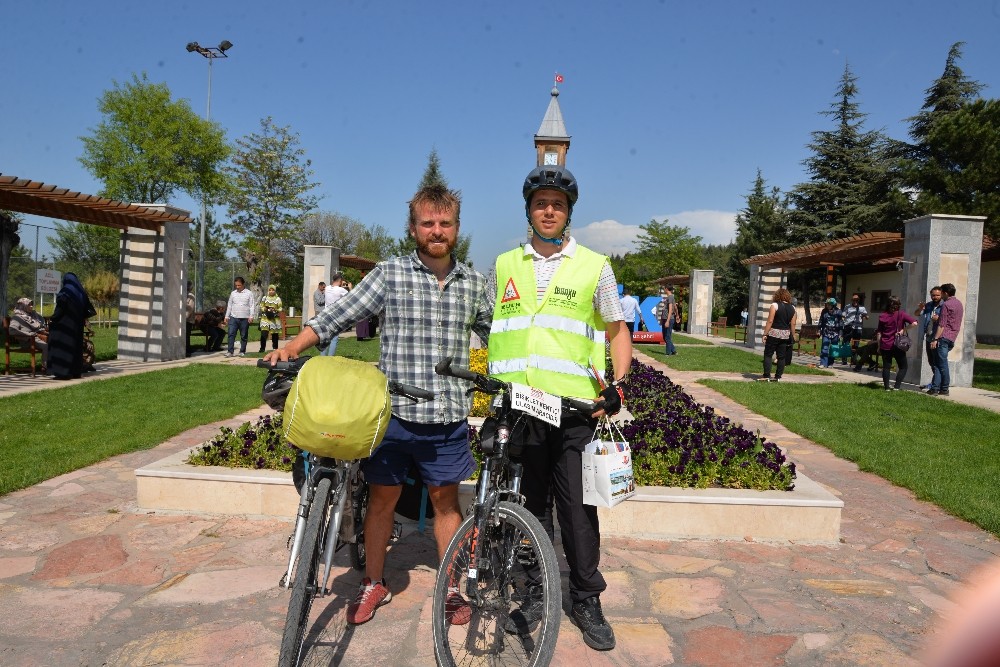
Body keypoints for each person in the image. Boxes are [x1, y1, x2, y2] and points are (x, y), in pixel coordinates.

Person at [265, 184, 492, 627]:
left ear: (457, 229)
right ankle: (374, 582)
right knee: (382, 501)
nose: (437, 230)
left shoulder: (475, 284)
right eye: (428, 223)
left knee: (446, 504)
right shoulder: (390, 274)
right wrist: (293, 346)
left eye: (445, 223)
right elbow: (339, 315)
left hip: (447, 415)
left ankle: (449, 589)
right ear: (413, 228)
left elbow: (499, 336)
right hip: (393, 414)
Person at [486, 165, 632, 652]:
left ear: (568, 213)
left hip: (573, 411)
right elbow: (491, 326)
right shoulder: (505, 264)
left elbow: (617, 330)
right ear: (528, 209)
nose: (549, 211)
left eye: (558, 204)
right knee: (528, 504)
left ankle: (586, 597)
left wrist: (618, 384)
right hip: (522, 409)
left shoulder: (595, 265)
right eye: (540, 203)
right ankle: (535, 590)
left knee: (576, 508)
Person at [47, 272, 96, 380]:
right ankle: (76, 372)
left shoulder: (65, 292)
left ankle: (63, 372)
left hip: (63, 326)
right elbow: (86, 310)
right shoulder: (81, 293)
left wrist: (53, 319)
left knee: (61, 345)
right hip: (77, 326)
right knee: (76, 348)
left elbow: (60, 309)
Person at [875, 295, 917, 391]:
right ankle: (897, 387)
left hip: (885, 344)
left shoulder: (883, 316)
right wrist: (904, 329)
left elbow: (879, 332)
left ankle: (886, 387)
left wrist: (878, 345)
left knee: (886, 367)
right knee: (903, 367)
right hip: (898, 345)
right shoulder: (901, 314)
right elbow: (914, 323)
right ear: (898, 305)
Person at [929, 283, 963, 396]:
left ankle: (944, 388)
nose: (941, 294)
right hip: (952, 337)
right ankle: (935, 388)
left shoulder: (946, 305)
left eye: (942, 292)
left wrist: (935, 339)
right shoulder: (959, 304)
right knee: (939, 363)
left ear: (946, 293)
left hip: (943, 337)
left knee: (941, 364)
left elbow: (942, 324)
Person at [758, 288, 796, 382]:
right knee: (781, 356)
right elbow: (793, 324)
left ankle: (766, 375)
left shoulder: (774, 305)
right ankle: (778, 376)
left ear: (777, 296)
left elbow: (770, 321)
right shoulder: (793, 308)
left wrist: (765, 334)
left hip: (774, 333)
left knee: (768, 354)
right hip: (785, 334)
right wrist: (793, 335)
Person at [9, 297, 49, 370]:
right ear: (23, 306)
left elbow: (38, 327)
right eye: (29, 305)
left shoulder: (31, 316)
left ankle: (56, 366)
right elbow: (12, 331)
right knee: (45, 346)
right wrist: (29, 334)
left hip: (36, 338)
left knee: (55, 343)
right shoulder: (17, 318)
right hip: (27, 341)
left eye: (31, 304)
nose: (31, 306)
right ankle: (45, 366)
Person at [914, 287, 943, 389]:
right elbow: (916, 313)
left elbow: (947, 321)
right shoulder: (929, 305)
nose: (935, 297)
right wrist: (921, 308)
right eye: (933, 295)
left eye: (937, 295)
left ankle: (936, 385)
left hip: (938, 338)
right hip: (929, 336)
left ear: (942, 295)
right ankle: (936, 383)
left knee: (937, 363)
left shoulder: (944, 306)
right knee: (931, 362)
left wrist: (938, 319)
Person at [223, 277, 254, 358]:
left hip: (245, 318)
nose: (237, 287)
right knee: (231, 334)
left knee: (243, 335)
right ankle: (230, 351)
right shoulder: (233, 293)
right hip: (233, 317)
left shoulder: (249, 293)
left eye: (239, 285)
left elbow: (251, 306)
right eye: (236, 285)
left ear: (243, 284)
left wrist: (251, 316)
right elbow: (229, 305)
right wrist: (226, 316)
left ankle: (242, 351)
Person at [320, 273, 350, 356]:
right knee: (334, 338)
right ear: (340, 281)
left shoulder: (327, 288)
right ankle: (330, 358)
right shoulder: (341, 290)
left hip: (325, 315)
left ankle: (322, 358)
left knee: (325, 338)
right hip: (335, 316)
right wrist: (349, 287)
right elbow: (351, 296)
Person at [842, 293, 869, 367]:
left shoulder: (862, 308)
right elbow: (843, 315)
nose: (855, 301)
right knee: (845, 343)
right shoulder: (847, 306)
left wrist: (865, 316)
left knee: (856, 345)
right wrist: (844, 322)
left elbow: (867, 317)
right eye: (854, 300)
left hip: (858, 328)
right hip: (848, 327)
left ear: (859, 300)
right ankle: (844, 359)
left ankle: (854, 360)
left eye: (857, 300)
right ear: (852, 300)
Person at [818, 297, 843, 368]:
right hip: (826, 332)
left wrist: (841, 333)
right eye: (827, 304)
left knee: (833, 349)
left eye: (829, 304)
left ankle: (830, 363)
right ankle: (823, 363)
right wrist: (819, 330)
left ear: (833, 305)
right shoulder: (824, 311)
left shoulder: (838, 312)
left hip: (835, 333)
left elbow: (841, 323)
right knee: (824, 348)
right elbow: (821, 321)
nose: (827, 305)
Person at [257, 284, 283, 353]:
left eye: (273, 290)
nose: (271, 291)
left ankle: (275, 348)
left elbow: (280, 308)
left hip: (274, 319)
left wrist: (275, 309)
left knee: (274, 334)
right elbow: (261, 306)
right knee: (264, 333)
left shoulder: (278, 299)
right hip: (265, 318)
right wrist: (265, 308)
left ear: (275, 291)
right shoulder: (264, 298)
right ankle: (262, 348)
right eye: (270, 290)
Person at [657, 285, 677, 355]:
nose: (664, 290)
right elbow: (675, 307)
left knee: (667, 336)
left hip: (668, 319)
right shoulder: (669, 297)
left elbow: (671, 309)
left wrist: (668, 321)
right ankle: (673, 350)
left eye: (664, 289)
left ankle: (668, 353)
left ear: (666, 289)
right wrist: (661, 320)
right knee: (664, 336)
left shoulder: (670, 297)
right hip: (664, 319)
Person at [185, 281, 197, 356]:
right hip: (183, 319)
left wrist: (185, 318)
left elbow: (190, 308)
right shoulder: (183, 294)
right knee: (185, 335)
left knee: (187, 335)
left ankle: (187, 350)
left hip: (188, 320)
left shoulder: (190, 296)